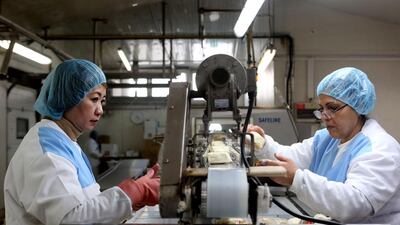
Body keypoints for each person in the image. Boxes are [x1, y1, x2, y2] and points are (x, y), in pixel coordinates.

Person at [4, 59, 160, 225]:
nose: (100, 110)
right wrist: (134, 191)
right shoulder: (46, 151)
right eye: (94, 99)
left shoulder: (67, 143)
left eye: (102, 101)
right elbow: (71, 219)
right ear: (68, 98)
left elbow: (87, 206)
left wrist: (130, 204)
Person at [248, 67, 400, 223]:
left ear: (357, 106)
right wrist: (261, 143)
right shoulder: (326, 139)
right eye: (322, 109)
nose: (325, 116)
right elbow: (288, 157)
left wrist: (297, 179)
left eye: (333, 108)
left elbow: (355, 203)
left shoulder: (380, 148)